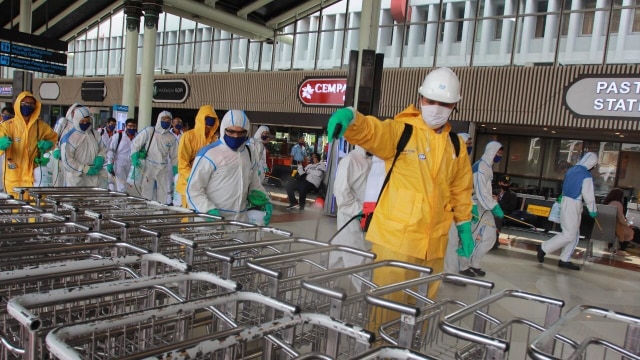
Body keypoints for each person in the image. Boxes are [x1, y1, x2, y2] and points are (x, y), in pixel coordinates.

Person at [327, 67, 474, 301]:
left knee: (421, 312)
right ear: (420, 99)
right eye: (431, 100)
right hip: (395, 243)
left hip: (434, 247)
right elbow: (374, 131)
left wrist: (465, 225)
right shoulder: (402, 133)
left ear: (455, 106)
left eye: (444, 104)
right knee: (386, 310)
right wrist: (352, 118)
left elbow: (461, 189)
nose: (437, 107)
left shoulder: (455, 146)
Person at [186, 109, 272, 226]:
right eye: (231, 131)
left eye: (241, 132)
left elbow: (254, 183)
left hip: (240, 220)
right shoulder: (209, 154)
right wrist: (207, 210)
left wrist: (264, 199)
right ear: (223, 129)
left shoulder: (249, 153)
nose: (236, 136)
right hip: (211, 222)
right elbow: (193, 189)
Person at [536, 152, 599, 270]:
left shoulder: (571, 170)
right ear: (592, 163)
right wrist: (593, 209)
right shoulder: (586, 175)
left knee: (573, 234)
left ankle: (565, 259)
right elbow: (588, 195)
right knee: (570, 234)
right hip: (574, 203)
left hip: (565, 201)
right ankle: (543, 248)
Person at [458, 141, 504, 277]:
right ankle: (463, 265)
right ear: (492, 151)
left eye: (501, 153)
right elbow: (480, 191)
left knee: (490, 237)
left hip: (485, 206)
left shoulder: (487, 167)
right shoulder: (480, 167)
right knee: (470, 237)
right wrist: (494, 206)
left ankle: (474, 263)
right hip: (476, 205)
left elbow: (485, 191)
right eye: (498, 153)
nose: (499, 155)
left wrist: (491, 203)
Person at [0, 92, 57, 198]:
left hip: (34, 175)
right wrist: (1, 144)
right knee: (16, 210)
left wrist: (48, 145)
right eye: (24, 103)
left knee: (36, 208)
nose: (27, 106)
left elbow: (53, 139)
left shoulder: (41, 126)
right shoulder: (7, 126)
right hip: (14, 177)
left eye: (31, 104)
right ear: (18, 104)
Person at [330, 145, 372, 273]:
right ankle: (364, 292)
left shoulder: (375, 160)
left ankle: (322, 284)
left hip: (367, 214)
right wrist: (359, 211)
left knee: (338, 252)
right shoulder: (350, 160)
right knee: (356, 257)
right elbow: (341, 193)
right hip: (351, 216)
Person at [176, 105, 220, 208]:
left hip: (206, 186)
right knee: (188, 217)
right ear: (201, 118)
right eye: (207, 119)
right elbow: (183, 162)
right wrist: (192, 179)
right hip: (188, 184)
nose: (210, 122)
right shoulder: (188, 136)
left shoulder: (214, 140)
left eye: (213, 119)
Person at [130, 111, 178, 203]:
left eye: (168, 120)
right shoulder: (149, 131)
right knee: (146, 191)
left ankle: (159, 214)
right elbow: (136, 143)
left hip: (163, 168)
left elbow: (175, 156)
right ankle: (144, 212)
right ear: (159, 119)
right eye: (163, 119)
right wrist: (135, 155)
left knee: (163, 193)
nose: (166, 122)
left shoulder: (171, 138)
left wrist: (176, 170)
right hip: (149, 165)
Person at [444, 132, 472, 274]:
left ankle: (452, 272)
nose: (469, 147)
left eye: (469, 145)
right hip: (444, 209)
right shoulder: (447, 160)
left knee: (453, 241)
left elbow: (462, 189)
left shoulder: (464, 163)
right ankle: (451, 272)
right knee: (451, 242)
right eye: (467, 144)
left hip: (454, 210)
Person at [60, 106, 106, 187]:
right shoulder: (69, 138)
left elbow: (102, 148)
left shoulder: (95, 134)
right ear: (77, 120)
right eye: (82, 121)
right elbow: (67, 160)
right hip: (77, 178)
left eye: (87, 121)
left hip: (94, 176)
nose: (85, 123)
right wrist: (83, 168)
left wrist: (101, 157)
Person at [107, 118, 137, 193]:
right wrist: (109, 162)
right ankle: (122, 201)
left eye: (133, 126)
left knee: (127, 183)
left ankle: (122, 200)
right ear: (126, 126)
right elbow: (111, 150)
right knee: (121, 184)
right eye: (130, 126)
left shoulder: (138, 136)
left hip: (132, 163)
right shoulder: (118, 136)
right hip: (120, 162)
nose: (132, 128)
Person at [603, 188, 634, 257]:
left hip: (604, 227)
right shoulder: (618, 203)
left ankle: (611, 247)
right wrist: (627, 224)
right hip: (614, 228)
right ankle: (622, 250)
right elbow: (621, 218)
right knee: (630, 232)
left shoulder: (606, 202)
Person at [493, 174, 518, 249]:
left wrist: (498, 202)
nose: (506, 185)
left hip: (505, 214)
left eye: (508, 183)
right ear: (499, 183)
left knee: (497, 217)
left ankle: (494, 240)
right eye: (504, 183)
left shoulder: (512, 195)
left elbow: (511, 208)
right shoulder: (495, 192)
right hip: (492, 212)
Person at [100, 117, 117, 189]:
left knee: (111, 177)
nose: (113, 126)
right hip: (102, 158)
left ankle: (111, 192)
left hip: (111, 159)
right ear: (107, 124)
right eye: (111, 124)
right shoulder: (101, 132)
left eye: (114, 125)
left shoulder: (116, 134)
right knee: (102, 177)